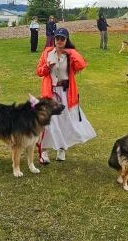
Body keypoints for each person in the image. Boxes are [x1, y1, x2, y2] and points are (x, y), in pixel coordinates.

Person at [35, 28, 96, 163]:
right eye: (57, 38)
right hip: (49, 93)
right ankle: (43, 151)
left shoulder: (70, 54)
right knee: (48, 122)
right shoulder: (47, 52)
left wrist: (71, 52)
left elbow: (81, 65)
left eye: (63, 38)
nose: (59, 41)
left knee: (64, 120)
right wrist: (46, 66)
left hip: (66, 93)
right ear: (54, 39)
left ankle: (62, 148)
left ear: (66, 40)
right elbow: (39, 71)